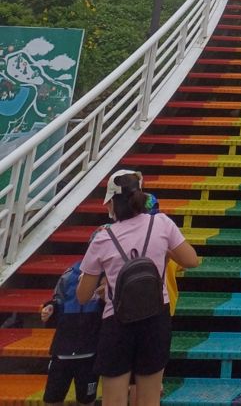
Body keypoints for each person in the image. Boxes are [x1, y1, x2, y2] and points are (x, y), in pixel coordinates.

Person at [76, 169, 199, 406]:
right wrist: (161, 249)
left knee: (114, 399)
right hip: (156, 317)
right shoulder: (162, 223)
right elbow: (191, 260)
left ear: (112, 202)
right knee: (150, 399)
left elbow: (82, 296)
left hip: (117, 322)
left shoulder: (103, 238)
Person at [40, 261, 103, 406]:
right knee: (52, 398)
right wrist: (50, 308)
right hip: (63, 350)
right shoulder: (70, 274)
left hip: (90, 352)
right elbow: (57, 300)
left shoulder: (107, 276)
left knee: (87, 399)